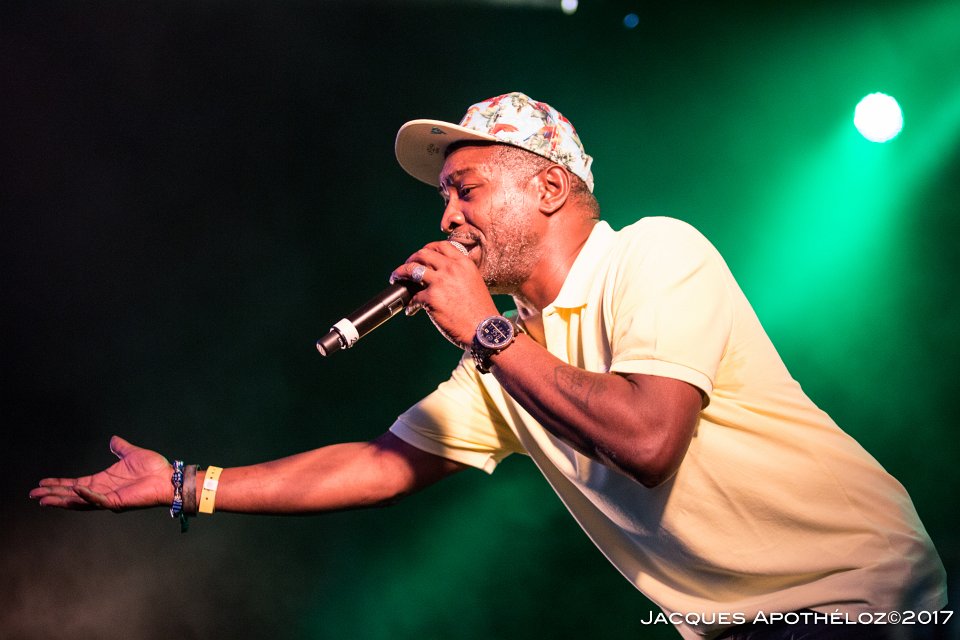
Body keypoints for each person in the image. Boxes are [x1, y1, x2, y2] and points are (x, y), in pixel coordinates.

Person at [31, 92, 947, 639]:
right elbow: (380, 465)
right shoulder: (507, 355)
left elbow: (649, 440)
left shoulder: (654, 253)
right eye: (443, 198)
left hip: (858, 598)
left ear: (549, 184)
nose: (446, 218)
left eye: (465, 188)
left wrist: (485, 333)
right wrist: (187, 484)